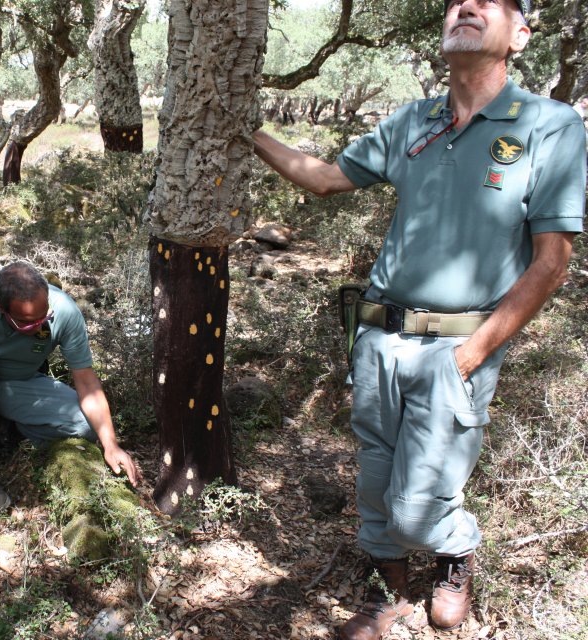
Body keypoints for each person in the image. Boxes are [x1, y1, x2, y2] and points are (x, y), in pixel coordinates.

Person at [251, 0, 585, 637]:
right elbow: (322, 179)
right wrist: (246, 130)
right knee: (376, 481)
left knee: (417, 502)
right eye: (457, 1)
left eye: (488, 1)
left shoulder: (549, 125)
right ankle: (390, 595)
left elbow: (551, 264)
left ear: (520, 34)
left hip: (457, 348)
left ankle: (455, 553)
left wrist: (475, 351)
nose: (464, 6)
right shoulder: (413, 121)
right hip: (379, 338)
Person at [0, 262, 142, 513]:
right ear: (1, 308)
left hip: (19, 384)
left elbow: (87, 381)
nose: (37, 327)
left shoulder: (63, 311)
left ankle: (6, 428)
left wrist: (111, 444)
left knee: (85, 424)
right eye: (26, 323)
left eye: (43, 318)